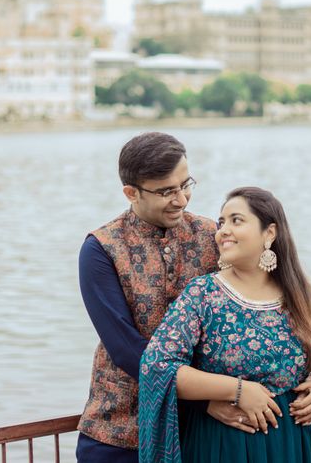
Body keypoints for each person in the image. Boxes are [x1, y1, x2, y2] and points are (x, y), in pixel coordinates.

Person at [139, 186, 311, 463]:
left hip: (295, 445)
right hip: (224, 446)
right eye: (222, 222)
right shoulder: (203, 294)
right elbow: (157, 366)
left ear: (269, 233)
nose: (223, 230)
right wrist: (237, 390)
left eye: (236, 220)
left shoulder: (300, 295)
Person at [78, 132, 253, 462]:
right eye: (166, 192)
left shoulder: (212, 236)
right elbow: (127, 349)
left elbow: (256, 304)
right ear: (131, 193)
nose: (182, 200)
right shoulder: (100, 249)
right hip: (121, 432)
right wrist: (209, 399)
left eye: (186, 185)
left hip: (202, 432)